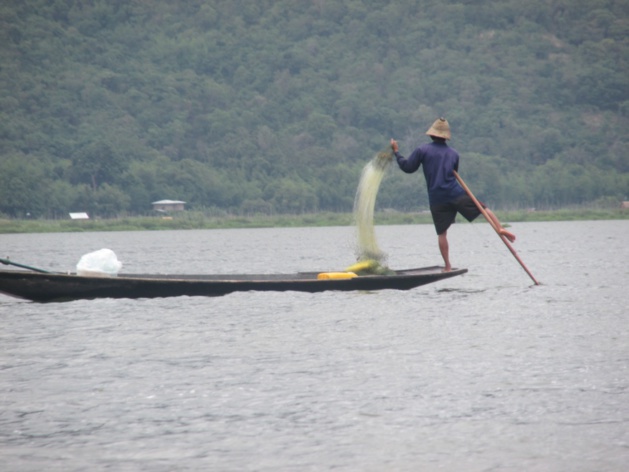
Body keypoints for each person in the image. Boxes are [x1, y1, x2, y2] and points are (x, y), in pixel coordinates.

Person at [390, 117, 515, 272]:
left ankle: (448, 266)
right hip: (455, 193)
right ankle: (499, 227)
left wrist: (396, 152)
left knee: (442, 233)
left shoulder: (422, 150)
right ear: (445, 136)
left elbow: (408, 167)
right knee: (482, 207)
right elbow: (454, 171)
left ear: (431, 134)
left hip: (437, 198)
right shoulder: (454, 154)